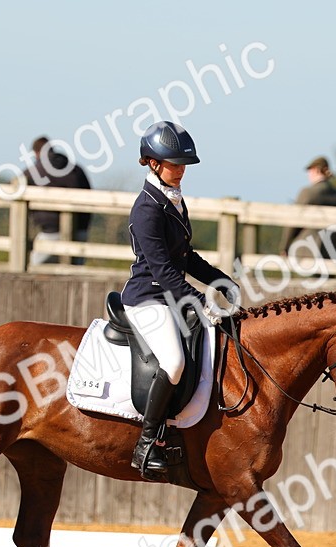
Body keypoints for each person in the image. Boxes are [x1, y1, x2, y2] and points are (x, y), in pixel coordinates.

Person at [120, 121, 240, 479]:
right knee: (173, 362)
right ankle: (146, 443)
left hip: (170, 293)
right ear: (153, 163)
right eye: (174, 163)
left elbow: (183, 256)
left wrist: (220, 281)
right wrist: (201, 301)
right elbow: (162, 270)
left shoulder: (172, 199)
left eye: (183, 163)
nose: (181, 169)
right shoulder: (147, 208)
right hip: (148, 297)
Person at [25, 137, 92, 266]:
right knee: (75, 271)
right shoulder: (76, 170)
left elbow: (15, 186)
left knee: (33, 268)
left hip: (50, 230)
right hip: (80, 229)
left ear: (36, 152)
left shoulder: (36, 171)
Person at [279, 155, 336, 257]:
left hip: (306, 249)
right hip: (332, 251)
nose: (309, 175)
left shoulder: (307, 192)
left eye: (310, 171)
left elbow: (293, 223)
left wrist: (284, 246)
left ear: (316, 170)